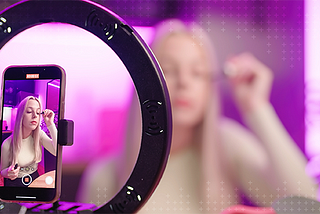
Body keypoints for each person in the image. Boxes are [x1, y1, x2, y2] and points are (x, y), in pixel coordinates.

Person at [77, 19, 317, 213]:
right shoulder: (104, 177)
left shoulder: (228, 146)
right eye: (169, 70)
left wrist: (257, 108)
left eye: (198, 72)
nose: (184, 83)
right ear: (143, 82)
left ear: (209, 86)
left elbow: (306, 204)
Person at [0, 96, 57, 187]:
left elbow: (56, 151)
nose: (35, 116)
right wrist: (7, 172)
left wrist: (50, 124)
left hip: (35, 178)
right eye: (29, 111)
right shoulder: (7, 144)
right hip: (15, 183)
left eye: (38, 113)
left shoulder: (39, 135)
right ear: (21, 115)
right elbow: (2, 171)